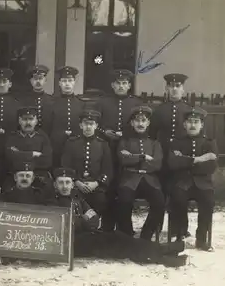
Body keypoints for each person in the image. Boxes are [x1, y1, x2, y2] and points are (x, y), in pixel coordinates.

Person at [48, 168, 187, 267]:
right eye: (61, 183)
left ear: (72, 184)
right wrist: (84, 220)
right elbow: (65, 224)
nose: (65, 186)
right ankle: (162, 254)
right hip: (73, 244)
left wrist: (82, 220)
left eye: (67, 182)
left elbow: (94, 220)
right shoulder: (52, 202)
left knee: (120, 239)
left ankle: (163, 252)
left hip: (89, 235)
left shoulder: (77, 198)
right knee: (120, 243)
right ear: (55, 185)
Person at [93, 69, 143, 232]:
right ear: (112, 85)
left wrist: (126, 133)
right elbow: (94, 123)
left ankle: (124, 226)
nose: (121, 86)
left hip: (128, 150)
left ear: (129, 85)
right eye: (118, 83)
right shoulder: (102, 102)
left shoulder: (136, 103)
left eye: (124, 83)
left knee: (124, 189)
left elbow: (142, 125)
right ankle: (107, 225)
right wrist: (104, 132)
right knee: (108, 187)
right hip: (106, 148)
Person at [167, 107, 218, 251]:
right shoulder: (176, 142)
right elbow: (172, 164)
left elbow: (211, 167)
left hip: (203, 183)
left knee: (208, 202)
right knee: (177, 199)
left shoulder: (209, 142)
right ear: (184, 124)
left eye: (196, 122)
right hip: (182, 182)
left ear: (202, 125)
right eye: (190, 122)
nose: (193, 125)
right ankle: (180, 233)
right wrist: (199, 159)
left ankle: (201, 238)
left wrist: (185, 160)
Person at [149, 73, 193, 237]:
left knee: (180, 193)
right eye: (171, 86)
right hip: (163, 159)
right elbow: (152, 136)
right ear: (166, 89)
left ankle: (181, 228)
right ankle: (156, 226)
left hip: (181, 160)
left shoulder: (189, 111)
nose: (174, 89)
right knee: (160, 194)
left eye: (178, 86)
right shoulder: (159, 111)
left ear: (183, 89)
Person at [116, 105, 165, 240]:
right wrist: (143, 157)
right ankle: (126, 235)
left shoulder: (154, 143)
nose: (140, 124)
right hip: (129, 179)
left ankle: (146, 235)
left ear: (148, 123)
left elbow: (157, 164)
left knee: (160, 202)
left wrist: (132, 157)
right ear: (132, 123)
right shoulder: (124, 142)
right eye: (137, 121)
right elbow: (122, 160)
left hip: (150, 180)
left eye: (143, 121)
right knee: (124, 201)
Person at [61, 109, 112, 218]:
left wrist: (96, 183)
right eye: (85, 124)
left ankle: (94, 228)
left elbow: (107, 169)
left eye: (91, 124)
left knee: (101, 201)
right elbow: (66, 166)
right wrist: (77, 182)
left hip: (95, 186)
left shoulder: (103, 144)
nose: (88, 127)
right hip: (75, 185)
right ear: (80, 125)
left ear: (96, 125)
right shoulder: (71, 143)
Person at [5, 106, 53, 190]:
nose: (28, 122)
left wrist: (19, 154)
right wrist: (33, 154)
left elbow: (47, 161)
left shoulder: (43, 137)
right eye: (24, 119)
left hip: (38, 176)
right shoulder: (12, 137)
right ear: (19, 121)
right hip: (16, 177)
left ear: (36, 121)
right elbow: (9, 157)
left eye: (31, 119)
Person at [49, 66, 85, 166]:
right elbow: (48, 126)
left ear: (74, 82)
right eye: (64, 81)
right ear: (59, 83)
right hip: (56, 147)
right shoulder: (51, 103)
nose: (67, 84)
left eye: (70, 80)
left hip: (76, 147)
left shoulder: (81, 104)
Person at [18, 65, 54, 135]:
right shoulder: (23, 100)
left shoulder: (52, 100)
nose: (38, 81)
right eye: (35, 79)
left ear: (45, 80)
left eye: (40, 78)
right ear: (31, 81)